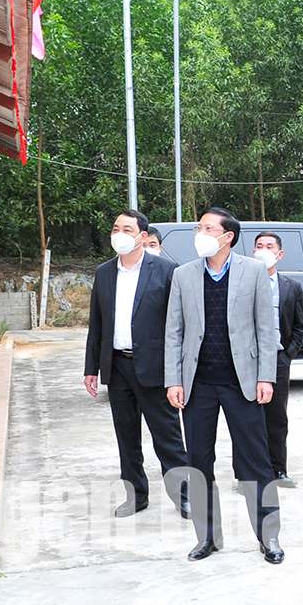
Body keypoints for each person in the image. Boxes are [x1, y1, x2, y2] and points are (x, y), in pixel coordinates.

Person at [165, 208, 284, 564]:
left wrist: (266, 376)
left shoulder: (253, 271)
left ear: (228, 236)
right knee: (199, 461)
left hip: (241, 382)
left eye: (208, 228)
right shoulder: (183, 275)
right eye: (199, 227)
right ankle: (208, 537)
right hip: (198, 384)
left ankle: (269, 537)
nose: (200, 233)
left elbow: (266, 329)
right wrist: (173, 380)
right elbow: (174, 332)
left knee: (255, 462)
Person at [84, 210, 190, 519]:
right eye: (115, 228)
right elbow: (96, 323)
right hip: (117, 367)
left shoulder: (167, 271)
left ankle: (183, 496)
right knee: (126, 437)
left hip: (155, 369)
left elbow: (179, 325)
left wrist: (177, 373)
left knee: (168, 438)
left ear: (143, 236)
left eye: (127, 229)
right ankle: (136, 495)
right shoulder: (104, 272)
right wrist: (91, 368)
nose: (119, 233)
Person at [253, 232, 303, 489]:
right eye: (259, 246)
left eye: (269, 246)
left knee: (276, 418)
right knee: (246, 418)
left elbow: (298, 326)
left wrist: (287, 355)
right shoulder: (241, 283)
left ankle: (278, 470)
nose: (264, 250)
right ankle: (248, 473)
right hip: (248, 360)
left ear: (279, 254)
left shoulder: (291, 286)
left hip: (278, 359)